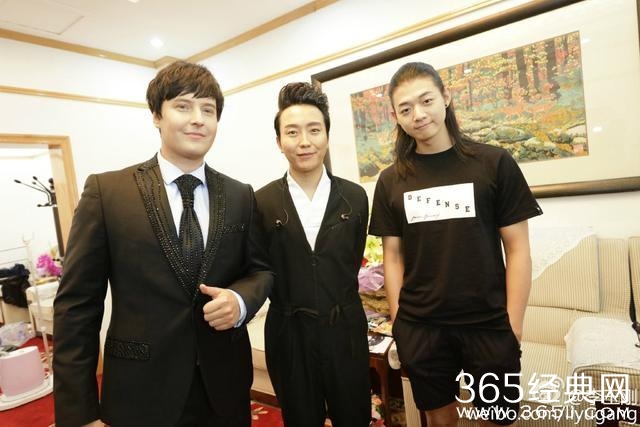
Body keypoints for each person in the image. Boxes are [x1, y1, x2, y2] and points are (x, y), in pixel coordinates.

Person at [53, 61, 273, 427]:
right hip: (141, 391)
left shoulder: (240, 195)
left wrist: (239, 300)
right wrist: (80, 414)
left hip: (224, 388)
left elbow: (260, 271)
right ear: (157, 115)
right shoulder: (108, 193)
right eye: (183, 106)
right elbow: (76, 307)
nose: (198, 119)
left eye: (208, 110)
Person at [369, 62, 543, 426]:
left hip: (488, 324)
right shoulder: (390, 181)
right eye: (405, 108)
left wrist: (513, 325)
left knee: (496, 420)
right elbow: (393, 257)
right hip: (422, 327)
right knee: (439, 420)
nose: (418, 115)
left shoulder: (493, 163)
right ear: (395, 117)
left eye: (426, 100)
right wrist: (401, 323)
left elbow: (518, 249)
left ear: (446, 97)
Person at [255, 82, 371, 427]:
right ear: (279, 141)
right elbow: (259, 267)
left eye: (314, 130)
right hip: (288, 333)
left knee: (354, 415)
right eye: (292, 132)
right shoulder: (260, 202)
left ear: (327, 136)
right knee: (300, 418)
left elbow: (351, 260)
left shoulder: (355, 197)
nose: (304, 141)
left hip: (345, 328)